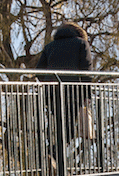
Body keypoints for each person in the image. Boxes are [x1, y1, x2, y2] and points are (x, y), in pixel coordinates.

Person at [36, 22, 95, 155]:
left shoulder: (49, 46)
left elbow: (39, 72)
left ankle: (52, 158)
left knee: (60, 126)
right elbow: (86, 71)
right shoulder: (81, 44)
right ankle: (51, 154)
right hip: (73, 93)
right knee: (68, 132)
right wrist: (87, 95)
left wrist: (48, 83)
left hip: (52, 93)